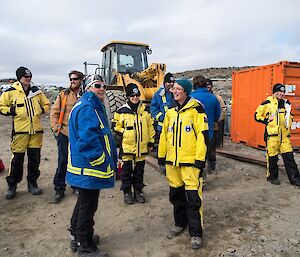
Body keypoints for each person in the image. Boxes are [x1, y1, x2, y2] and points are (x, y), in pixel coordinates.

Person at [66, 74, 117, 257]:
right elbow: (88, 141)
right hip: (89, 168)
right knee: (88, 205)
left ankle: (77, 235)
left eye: (103, 85)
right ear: (88, 88)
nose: (102, 88)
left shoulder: (89, 105)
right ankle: (84, 246)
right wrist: (102, 161)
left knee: (82, 203)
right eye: (97, 85)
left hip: (83, 167)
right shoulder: (88, 108)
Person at [158, 79, 209, 249]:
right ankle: (180, 223)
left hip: (190, 163)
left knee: (193, 199)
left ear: (186, 91)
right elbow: (164, 136)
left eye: (179, 88)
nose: (175, 91)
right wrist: (161, 157)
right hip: (173, 163)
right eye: (174, 88)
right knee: (176, 196)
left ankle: (195, 233)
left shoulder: (196, 110)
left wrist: (200, 160)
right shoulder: (170, 113)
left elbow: (203, 137)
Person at [0, 67, 50, 199]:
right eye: (25, 77)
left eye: (30, 76)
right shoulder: (10, 92)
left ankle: (32, 183)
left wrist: (40, 109)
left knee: (35, 159)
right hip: (20, 132)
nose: (28, 79)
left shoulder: (36, 91)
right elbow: (1, 106)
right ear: (19, 77)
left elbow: (46, 104)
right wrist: (12, 111)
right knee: (17, 160)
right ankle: (12, 186)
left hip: (36, 132)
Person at [112, 83, 155, 204]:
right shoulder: (121, 111)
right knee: (126, 172)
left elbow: (150, 127)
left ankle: (138, 191)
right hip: (127, 148)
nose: (135, 98)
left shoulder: (145, 111)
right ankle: (127, 192)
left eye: (137, 95)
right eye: (132, 95)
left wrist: (151, 141)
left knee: (139, 172)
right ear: (128, 96)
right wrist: (124, 132)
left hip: (141, 148)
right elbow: (115, 126)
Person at [254, 83, 300, 187]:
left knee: (289, 158)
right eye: (279, 91)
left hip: (284, 136)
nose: (282, 94)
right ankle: (272, 177)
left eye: (283, 92)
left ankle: (295, 179)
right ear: (274, 92)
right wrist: (266, 120)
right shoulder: (267, 103)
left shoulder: (286, 103)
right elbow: (256, 115)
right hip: (272, 136)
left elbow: (290, 116)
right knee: (272, 158)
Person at [50, 70, 83, 203]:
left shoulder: (86, 95)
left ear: (80, 80)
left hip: (79, 136)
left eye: (75, 79)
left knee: (76, 162)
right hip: (64, 134)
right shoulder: (63, 95)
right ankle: (59, 189)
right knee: (63, 161)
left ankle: (75, 186)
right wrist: (56, 129)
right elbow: (54, 113)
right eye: (70, 79)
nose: (72, 81)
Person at [190, 75, 221, 174]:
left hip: (193, 133)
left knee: (197, 156)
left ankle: (199, 175)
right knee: (209, 151)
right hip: (209, 132)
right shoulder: (213, 98)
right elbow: (217, 116)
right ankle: (211, 170)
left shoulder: (190, 98)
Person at [150, 72, 175, 139]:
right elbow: (153, 109)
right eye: (169, 82)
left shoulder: (176, 93)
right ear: (165, 83)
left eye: (173, 82)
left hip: (175, 127)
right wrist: (161, 117)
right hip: (162, 128)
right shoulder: (158, 95)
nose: (171, 84)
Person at [206, 78, 227, 147]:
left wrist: (218, 119)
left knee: (213, 143)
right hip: (204, 123)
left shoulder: (217, 98)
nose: (207, 88)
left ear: (211, 87)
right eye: (206, 86)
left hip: (214, 123)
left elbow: (223, 109)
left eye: (209, 87)